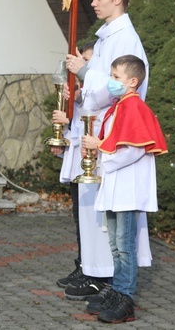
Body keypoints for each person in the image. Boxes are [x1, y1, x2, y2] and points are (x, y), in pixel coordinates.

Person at [64, 0, 150, 301]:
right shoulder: (106, 36)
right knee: (92, 209)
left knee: (104, 213)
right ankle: (94, 268)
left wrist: (83, 71)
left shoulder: (125, 39)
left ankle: (106, 276)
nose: (94, 3)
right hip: (96, 128)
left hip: (110, 131)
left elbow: (117, 87)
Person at [80, 55, 167, 323]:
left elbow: (136, 147)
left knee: (125, 246)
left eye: (116, 77)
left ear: (133, 81)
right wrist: (100, 146)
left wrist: (100, 147)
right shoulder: (120, 106)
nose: (111, 81)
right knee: (115, 245)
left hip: (128, 186)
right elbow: (116, 141)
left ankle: (125, 299)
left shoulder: (134, 107)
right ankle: (116, 291)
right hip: (116, 184)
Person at [52, 40, 96, 289]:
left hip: (90, 162)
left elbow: (93, 126)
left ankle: (91, 269)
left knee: (90, 219)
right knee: (79, 217)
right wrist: (62, 134)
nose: (83, 65)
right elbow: (75, 126)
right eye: (83, 60)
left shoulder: (97, 94)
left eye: (88, 61)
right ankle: (82, 264)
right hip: (77, 161)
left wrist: (69, 125)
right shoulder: (79, 91)